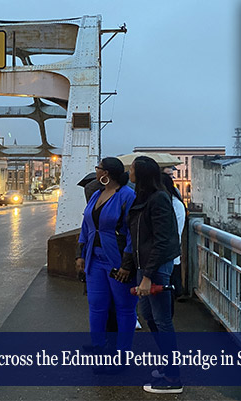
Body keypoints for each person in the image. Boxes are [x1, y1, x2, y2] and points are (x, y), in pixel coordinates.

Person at [119, 156, 182, 394]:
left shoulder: (158, 200)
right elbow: (135, 238)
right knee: (148, 314)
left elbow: (162, 239)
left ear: (141, 173)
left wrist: (148, 275)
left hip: (155, 267)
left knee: (162, 319)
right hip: (143, 265)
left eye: (133, 169)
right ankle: (168, 365)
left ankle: (173, 376)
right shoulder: (143, 198)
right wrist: (129, 265)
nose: (130, 172)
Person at [75, 157, 137, 366]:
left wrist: (127, 264)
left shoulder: (127, 196)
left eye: (98, 168)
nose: (96, 171)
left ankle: (122, 353)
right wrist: (81, 254)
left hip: (116, 260)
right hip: (95, 258)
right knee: (96, 305)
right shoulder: (96, 194)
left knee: (124, 307)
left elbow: (132, 232)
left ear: (106, 173)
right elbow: (87, 225)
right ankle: (98, 345)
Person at [161, 172, 186, 315]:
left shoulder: (175, 205)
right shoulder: (169, 203)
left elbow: (175, 231)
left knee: (167, 290)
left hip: (169, 254)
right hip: (166, 254)